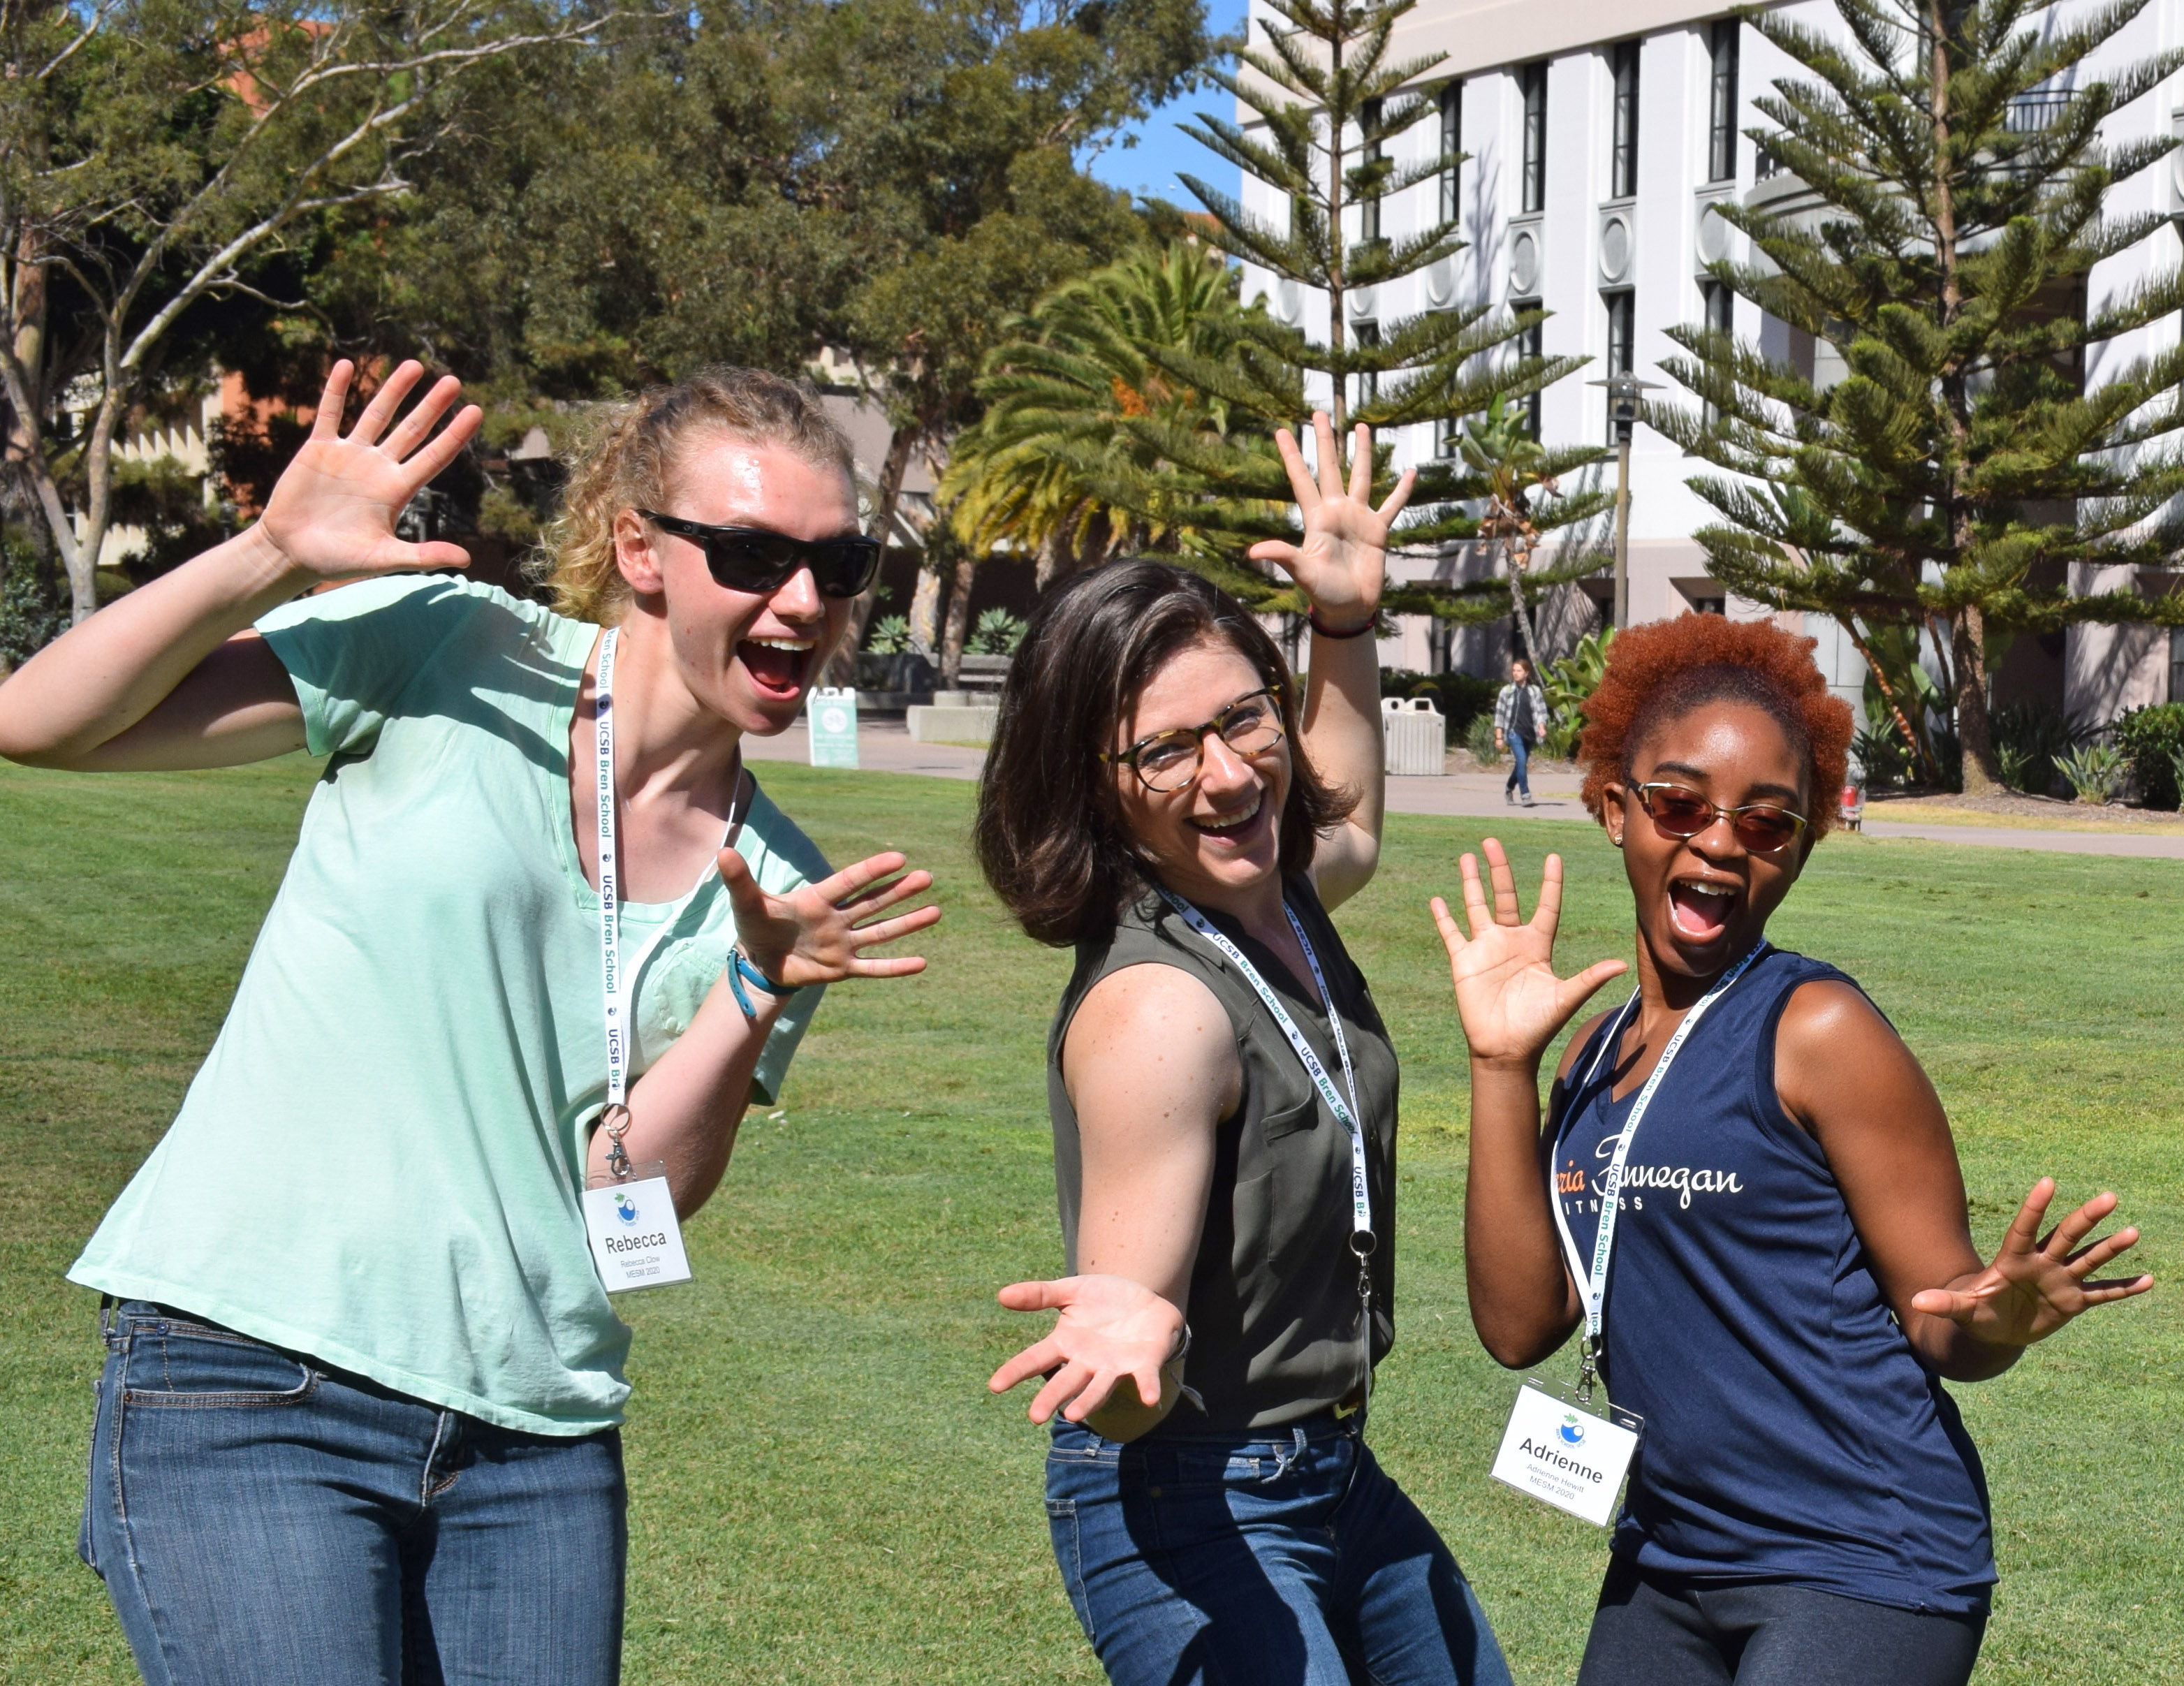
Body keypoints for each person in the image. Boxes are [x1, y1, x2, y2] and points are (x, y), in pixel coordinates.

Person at [0, 360, 941, 1684]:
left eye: (836, 565)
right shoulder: (449, 644)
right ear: (640, 548)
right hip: (254, 1378)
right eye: (752, 554)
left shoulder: (777, 886)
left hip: (532, 1438)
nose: (803, 601)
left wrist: (753, 989)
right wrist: (270, 550)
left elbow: (629, 1204)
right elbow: (36, 721)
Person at [1430, 615, 2150, 1686]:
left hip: (1864, 1554)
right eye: (1680, 804)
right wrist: (1500, 1067)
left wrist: (1997, 1321)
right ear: (1616, 809)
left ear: (1801, 848)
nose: (1720, 843)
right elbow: (1520, 1325)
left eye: (1768, 823)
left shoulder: (1817, 1031)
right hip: (1668, 1553)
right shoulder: (1589, 1060)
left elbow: (1943, 1308)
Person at [969, 421, 1510, 1685]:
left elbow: (1356, 816)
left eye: (1246, 718)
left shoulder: (1277, 893)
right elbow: (1129, 1366)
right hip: (1184, 1486)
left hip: (1330, 1465)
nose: (1229, 775)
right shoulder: (1164, 1008)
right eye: (1165, 748)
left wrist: (1344, 626)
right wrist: (1123, 1347)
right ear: (1095, 783)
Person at [1498, 657, 1546, 807]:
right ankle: (1525, 795)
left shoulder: (1534, 691)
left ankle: (1509, 788)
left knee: (1521, 763)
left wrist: (1541, 727)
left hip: (1530, 734)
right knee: (1521, 761)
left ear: (1526, 673)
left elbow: (1541, 711)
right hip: (1513, 732)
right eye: (1514, 670)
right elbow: (1500, 715)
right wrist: (1499, 736)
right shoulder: (1507, 691)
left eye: (1519, 671)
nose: (1515, 673)